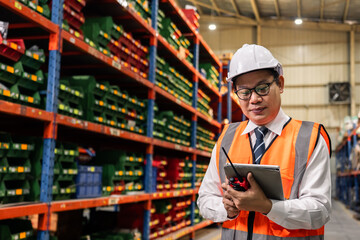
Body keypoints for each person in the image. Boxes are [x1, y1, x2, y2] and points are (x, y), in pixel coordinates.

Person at [197, 44, 331, 240]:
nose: (254, 99)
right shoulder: (227, 138)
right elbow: (205, 200)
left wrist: (267, 207)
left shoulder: (309, 138)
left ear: (281, 84)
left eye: (262, 88)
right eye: (244, 92)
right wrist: (226, 209)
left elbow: (320, 210)